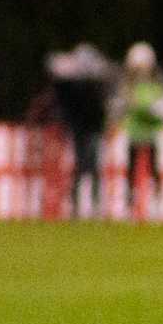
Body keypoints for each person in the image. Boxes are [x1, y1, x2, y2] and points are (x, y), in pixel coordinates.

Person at [49, 43, 112, 219]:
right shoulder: (72, 85)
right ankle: (78, 204)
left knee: (92, 164)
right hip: (80, 127)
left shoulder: (97, 85)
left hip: (92, 127)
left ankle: (94, 204)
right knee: (80, 164)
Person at [114, 43, 163, 220]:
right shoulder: (127, 85)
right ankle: (129, 207)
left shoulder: (158, 83)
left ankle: (157, 205)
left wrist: (155, 110)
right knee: (131, 170)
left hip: (152, 132)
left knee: (154, 169)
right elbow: (119, 107)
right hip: (134, 131)